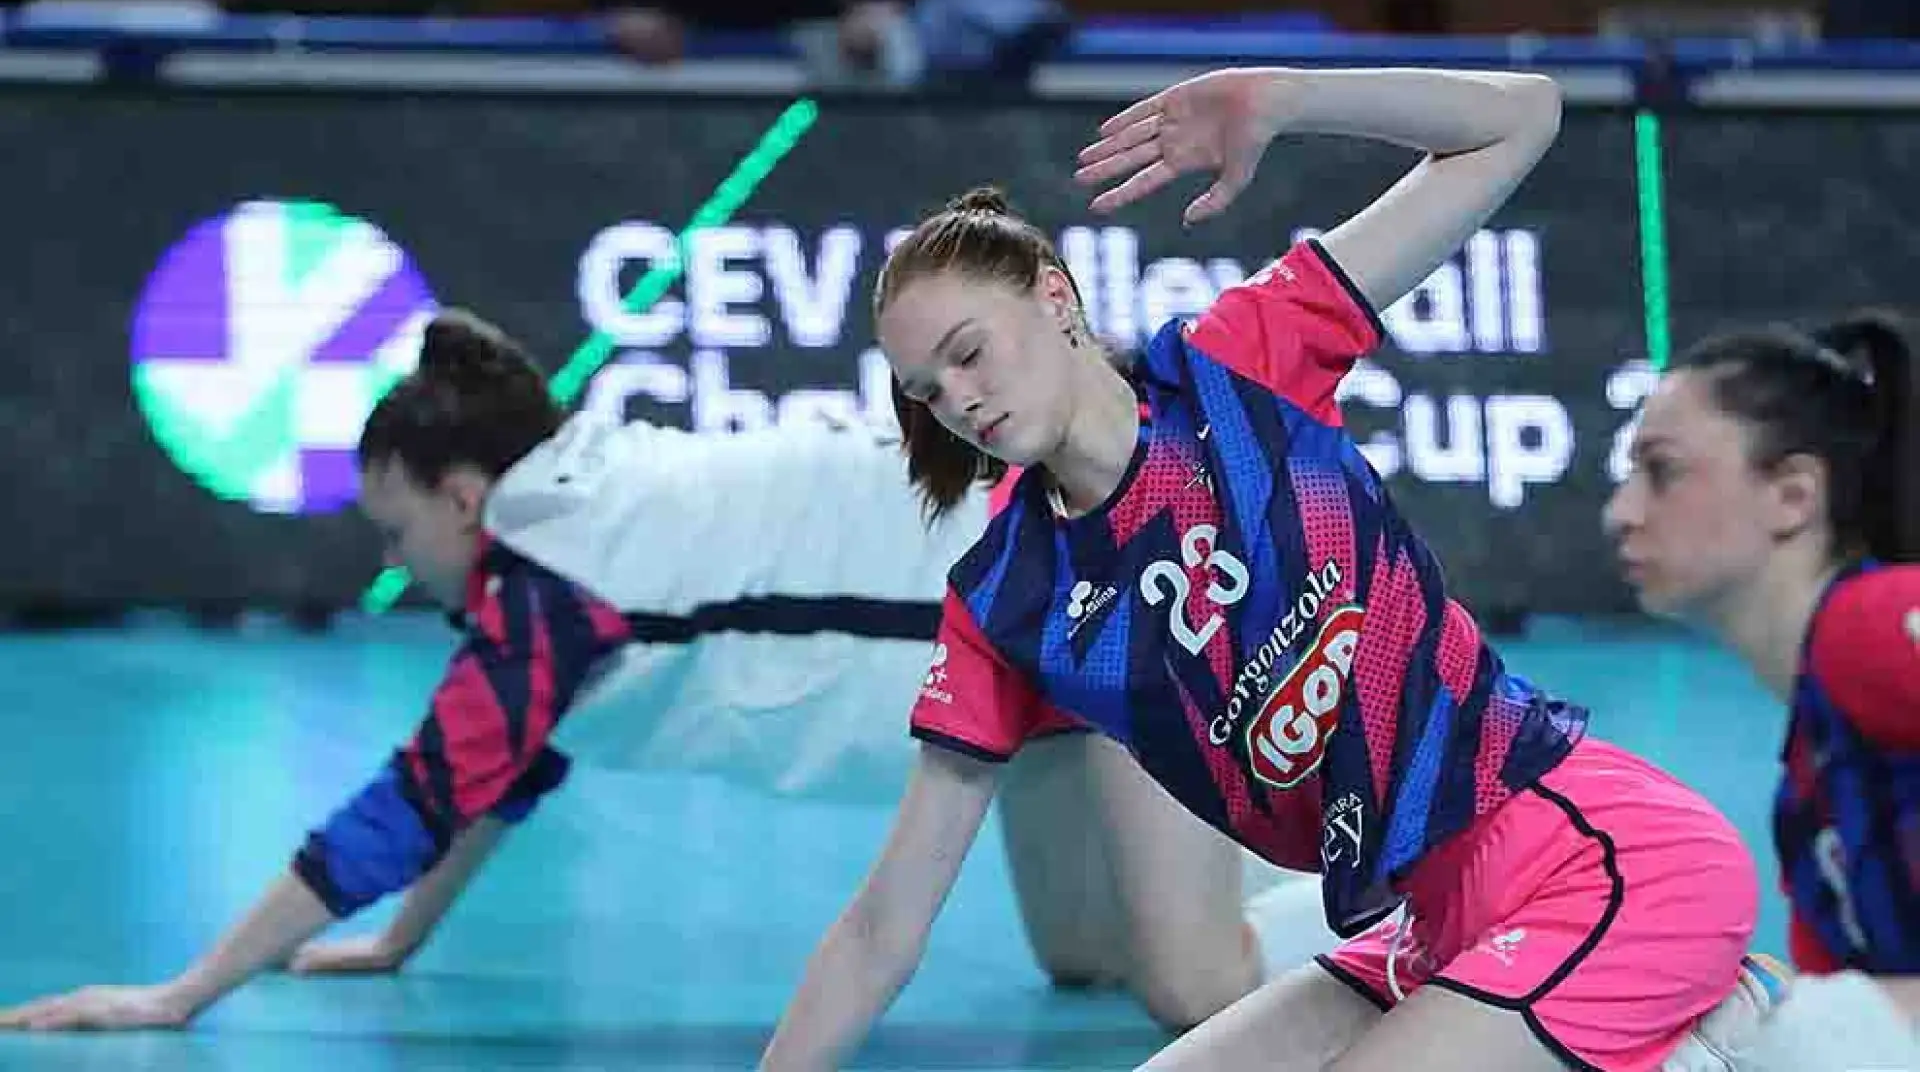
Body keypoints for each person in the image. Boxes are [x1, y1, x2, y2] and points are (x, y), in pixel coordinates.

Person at [759, 65, 1768, 1072]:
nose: (961, 400)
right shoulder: (1010, 600)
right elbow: (884, 927)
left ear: (1053, 297)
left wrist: (1288, 100)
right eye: (928, 391)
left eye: (970, 352)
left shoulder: (1239, 367)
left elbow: (1522, 119)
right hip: (1428, 932)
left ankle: (1730, 1038)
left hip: (1596, 861)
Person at [0, 307, 1314, 1034]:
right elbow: (501, 770)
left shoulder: (560, 582)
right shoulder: (574, 527)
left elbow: (418, 800)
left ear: (463, 500)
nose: (394, 561)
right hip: (1040, 687)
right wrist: (400, 940)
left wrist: (181, 995)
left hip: (1111, 597)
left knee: (1196, 994)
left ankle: (1403, 924)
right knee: (1085, 962)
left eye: (396, 532)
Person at [1604, 311, 1920, 1070]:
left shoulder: (1869, 625)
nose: (1621, 513)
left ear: (1793, 496)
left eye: (1662, 471)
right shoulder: (1809, 804)